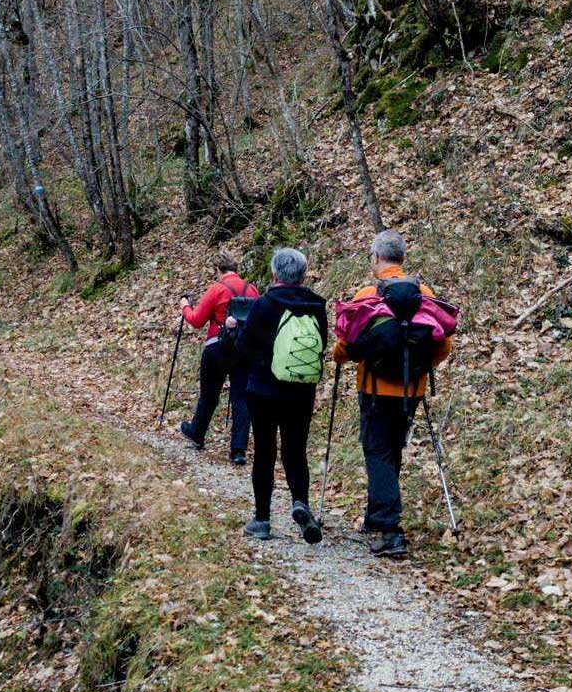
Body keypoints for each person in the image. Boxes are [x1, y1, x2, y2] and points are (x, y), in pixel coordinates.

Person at [335, 229, 450, 559]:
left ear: (376, 258)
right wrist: (421, 369)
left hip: (374, 388)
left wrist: (339, 356)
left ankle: (389, 529)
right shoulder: (424, 294)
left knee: (377, 451)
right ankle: (377, 518)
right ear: (402, 258)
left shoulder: (368, 295)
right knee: (391, 450)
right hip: (412, 389)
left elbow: (346, 345)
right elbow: (444, 342)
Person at [234, 247, 327, 544]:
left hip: (263, 390)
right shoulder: (317, 305)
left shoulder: (264, 304)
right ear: (303, 275)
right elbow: (322, 344)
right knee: (295, 450)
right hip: (301, 390)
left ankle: (262, 520)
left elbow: (244, 350)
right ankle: (301, 503)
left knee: (264, 452)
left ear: (274, 274)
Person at [178, 251, 260, 464]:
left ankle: (197, 432)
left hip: (217, 347)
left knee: (209, 394)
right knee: (241, 398)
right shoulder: (252, 290)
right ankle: (238, 450)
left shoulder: (217, 289)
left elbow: (196, 320)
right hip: (244, 350)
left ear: (218, 270)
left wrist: (185, 307)